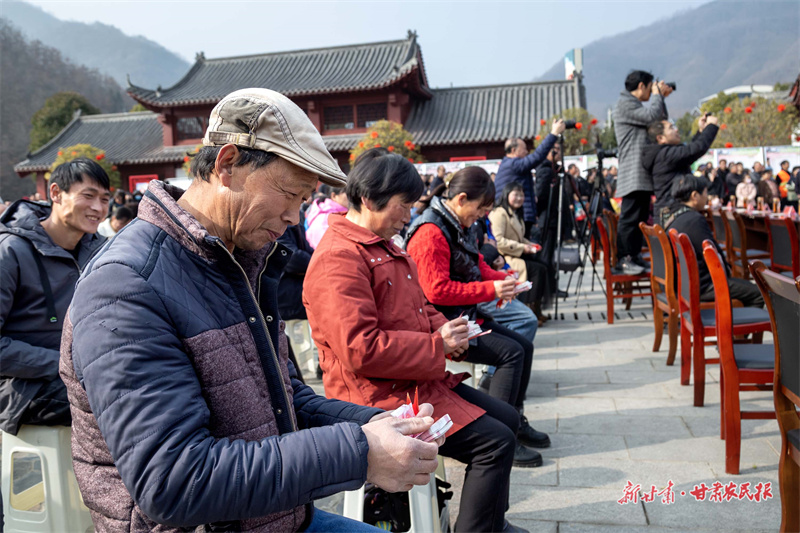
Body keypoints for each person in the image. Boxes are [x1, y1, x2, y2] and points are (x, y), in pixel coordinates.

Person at [60, 88, 442, 532]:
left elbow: (284, 399)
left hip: (278, 517)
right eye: (290, 193)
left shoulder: (240, 261)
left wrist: (376, 423)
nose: (294, 217)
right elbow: (174, 481)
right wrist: (359, 451)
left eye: (304, 199)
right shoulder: (126, 286)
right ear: (227, 164)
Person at [304, 148, 528, 533]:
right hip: (375, 396)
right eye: (403, 206)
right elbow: (361, 349)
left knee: (508, 420)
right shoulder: (338, 258)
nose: (408, 216)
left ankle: (491, 520)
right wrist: (436, 346)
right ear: (368, 198)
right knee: (494, 443)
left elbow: (421, 304)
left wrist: (447, 330)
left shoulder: (382, 244)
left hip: (411, 381)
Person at [406, 167, 549, 468]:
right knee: (510, 354)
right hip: (442, 324)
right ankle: (504, 433)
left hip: (462, 315)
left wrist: (503, 280)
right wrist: (491, 288)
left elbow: (476, 264)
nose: (482, 215)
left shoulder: (456, 222)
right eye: (481, 209)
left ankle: (514, 419)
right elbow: (435, 291)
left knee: (524, 346)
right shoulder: (430, 232)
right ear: (461, 199)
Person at [0, 159, 109, 435]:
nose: (98, 208)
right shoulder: (10, 252)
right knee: (118, 401)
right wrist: (64, 366)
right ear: (56, 193)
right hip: (21, 386)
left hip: (86, 372)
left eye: (105, 199)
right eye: (88, 196)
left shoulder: (101, 251)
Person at [663, 174, 763, 307]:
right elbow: (713, 255)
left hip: (685, 285)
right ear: (695, 196)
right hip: (703, 286)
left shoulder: (673, 217)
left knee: (746, 287)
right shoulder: (695, 220)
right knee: (760, 294)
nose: (707, 197)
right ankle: (740, 320)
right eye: (705, 193)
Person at [613, 70, 672, 274]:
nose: (650, 91)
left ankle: (635, 255)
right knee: (630, 217)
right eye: (650, 87)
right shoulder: (625, 103)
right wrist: (657, 95)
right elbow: (651, 116)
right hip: (633, 171)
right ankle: (623, 259)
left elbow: (659, 122)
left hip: (641, 170)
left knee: (639, 218)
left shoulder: (634, 105)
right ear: (641, 86)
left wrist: (660, 97)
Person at [489, 182, 551, 322]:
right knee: (537, 270)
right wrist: (523, 247)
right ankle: (529, 309)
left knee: (542, 266)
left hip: (515, 254)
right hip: (505, 257)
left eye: (521, 195)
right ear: (507, 195)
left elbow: (519, 237)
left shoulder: (515, 213)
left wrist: (530, 244)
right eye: (516, 195)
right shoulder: (500, 213)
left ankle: (536, 308)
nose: (519, 198)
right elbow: (498, 241)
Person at [494, 119, 567, 238]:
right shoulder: (513, 164)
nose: (527, 152)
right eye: (524, 149)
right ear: (513, 150)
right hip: (515, 215)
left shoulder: (509, 164)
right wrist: (553, 134)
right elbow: (537, 157)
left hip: (518, 213)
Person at [642, 115, 719, 226]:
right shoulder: (665, 155)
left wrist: (701, 131)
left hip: (669, 213)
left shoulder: (662, 154)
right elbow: (695, 149)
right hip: (675, 214)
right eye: (671, 127)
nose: (676, 130)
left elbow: (688, 152)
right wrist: (711, 126)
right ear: (660, 138)